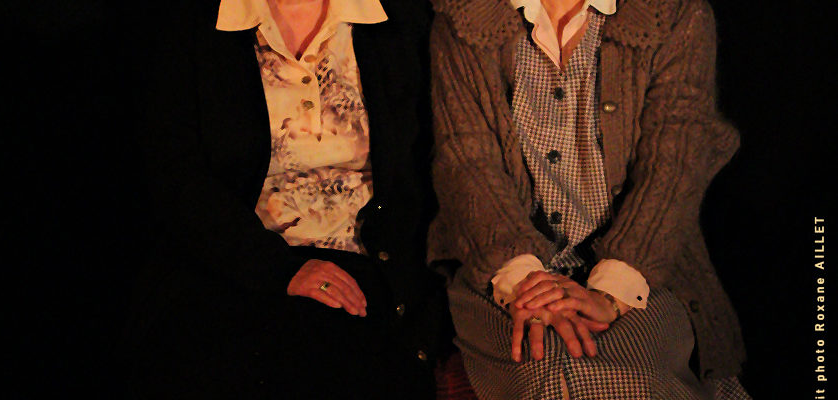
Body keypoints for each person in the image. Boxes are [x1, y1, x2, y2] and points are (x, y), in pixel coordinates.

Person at [427, 0, 750, 398]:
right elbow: (466, 161)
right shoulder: (466, 17)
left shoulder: (673, 12)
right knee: (546, 379)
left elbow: (676, 161)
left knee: (635, 383)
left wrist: (612, 293)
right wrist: (526, 283)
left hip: (643, 264)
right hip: (503, 262)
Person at [124, 0, 445, 398]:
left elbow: (437, 163)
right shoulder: (195, 25)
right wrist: (277, 269)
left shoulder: (395, 17)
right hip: (236, 263)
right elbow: (177, 178)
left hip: (368, 265)